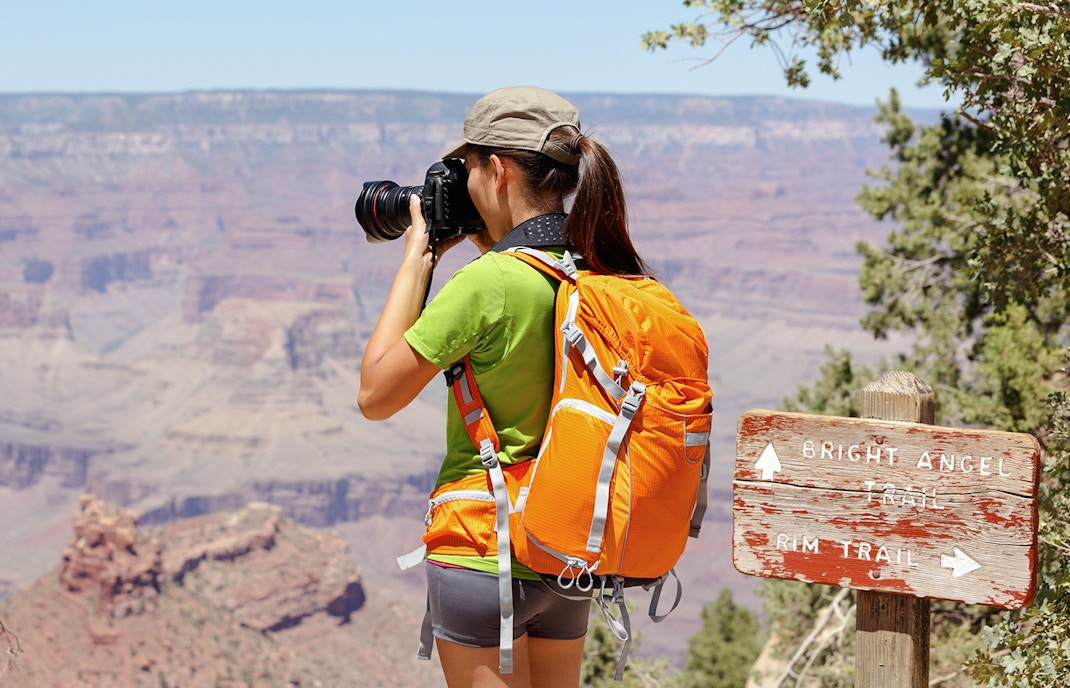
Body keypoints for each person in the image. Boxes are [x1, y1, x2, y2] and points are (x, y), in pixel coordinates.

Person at [357, 86, 650, 688]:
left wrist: (418, 256)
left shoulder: (488, 282)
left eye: (466, 168)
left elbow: (376, 396)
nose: (463, 184)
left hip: (483, 550)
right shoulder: (595, 268)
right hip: (564, 550)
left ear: (497, 169)